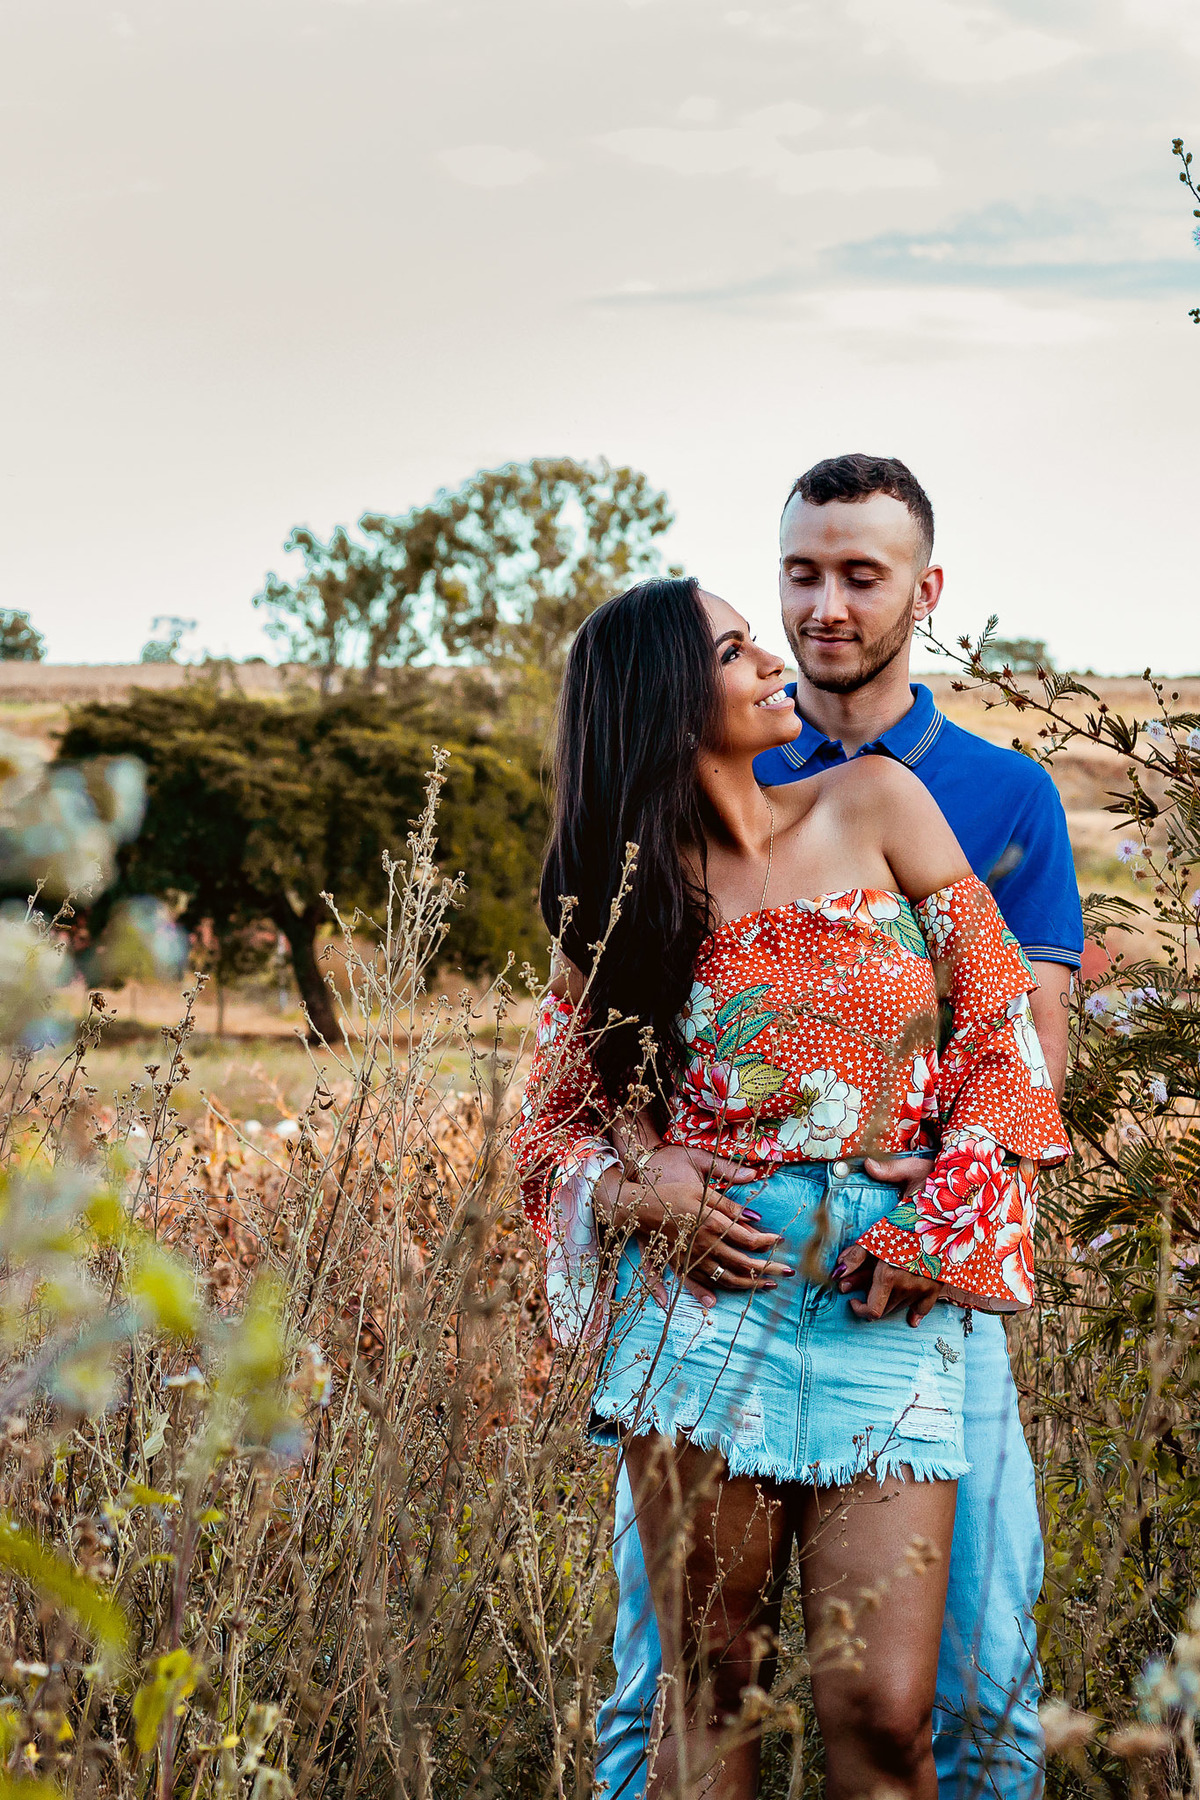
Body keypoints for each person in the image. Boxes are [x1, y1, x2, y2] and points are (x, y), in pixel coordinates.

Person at [512, 569, 1069, 1799]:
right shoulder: (615, 908)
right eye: (733, 651)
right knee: (711, 1697)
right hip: (703, 1318)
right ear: (665, 702)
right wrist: (636, 1186)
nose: (771, 663)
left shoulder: (877, 802)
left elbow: (1001, 1037)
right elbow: (548, 1132)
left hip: (890, 1304)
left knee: (881, 1714)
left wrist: (950, 1215)